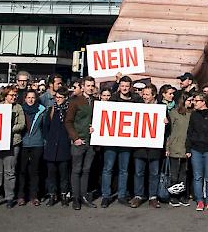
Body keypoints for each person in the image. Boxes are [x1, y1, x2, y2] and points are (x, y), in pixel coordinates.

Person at [101, 75, 141, 207]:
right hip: (111, 140)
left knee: (124, 170)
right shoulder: (112, 99)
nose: (124, 88)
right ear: (119, 86)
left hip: (127, 141)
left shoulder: (136, 100)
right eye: (122, 86)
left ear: (130, 87)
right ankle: (106, 196)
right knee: (108, 168)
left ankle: (122, 195)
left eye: (127, 86)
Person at [0, 86, 25, 209]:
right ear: (5, 96)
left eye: (15, 95)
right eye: (11, 95)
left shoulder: (18, 107)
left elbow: (21, 124)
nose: (14, 97)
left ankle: (9, 197)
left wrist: (7, 128)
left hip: (12, 143)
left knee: (10, 172)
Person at [129, 85, 164, 209]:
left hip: (154, 147)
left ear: (153, 95)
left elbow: (167, 129)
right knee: (138, 172)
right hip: (140, 147)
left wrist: (166, 122)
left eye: (147, 94)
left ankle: (153, 197)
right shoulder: (137, 107)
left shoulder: (161, 108)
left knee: (154, 173)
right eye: (143, 94)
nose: (144, 97)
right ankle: (138, 196)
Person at [65, 75, 97, 210]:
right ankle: (76, 198)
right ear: (83, 86)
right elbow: (68, 121)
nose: (90, 88)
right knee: (76, 170)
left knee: (86, 170)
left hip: (92, 142)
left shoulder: (96, 101)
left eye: (92, 86)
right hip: (79, 140)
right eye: (88, 86)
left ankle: (84, 196)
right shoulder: (75, 101)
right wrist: (75, 138)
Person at [42, 86, 72, 207]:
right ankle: (52, 195)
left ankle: (64, 195)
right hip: (51, 146)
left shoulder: (69, 110)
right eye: (56, 97)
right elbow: (46, 127)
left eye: (60, 97)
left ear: (66, 98)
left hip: (63, 146)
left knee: (64, 173)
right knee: (51, 174)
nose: (57, 99)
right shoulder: (51, 110)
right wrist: (48, 140)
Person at [18, 90, 46, 206]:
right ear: (25, 99)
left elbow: (45, 127)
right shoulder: (21, 109)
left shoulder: (42, 110)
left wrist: (44, 141)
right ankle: (21, 196)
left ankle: (34, 196)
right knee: (22, 170)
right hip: (23, 143)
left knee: (35, 171)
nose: (30, 100)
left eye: (33, 97)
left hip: (37, 143)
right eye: (28, 97)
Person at [165, 92, 192, 207]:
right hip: (174, 146)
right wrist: (167, 147)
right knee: (174, 173)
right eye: (189, 100)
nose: (191, 102)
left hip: (185, 146)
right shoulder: (173, 113)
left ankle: (182, 195)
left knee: (183, 173)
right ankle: (173, 197)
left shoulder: (191, 114)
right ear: (183, 100)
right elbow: (169, 132)